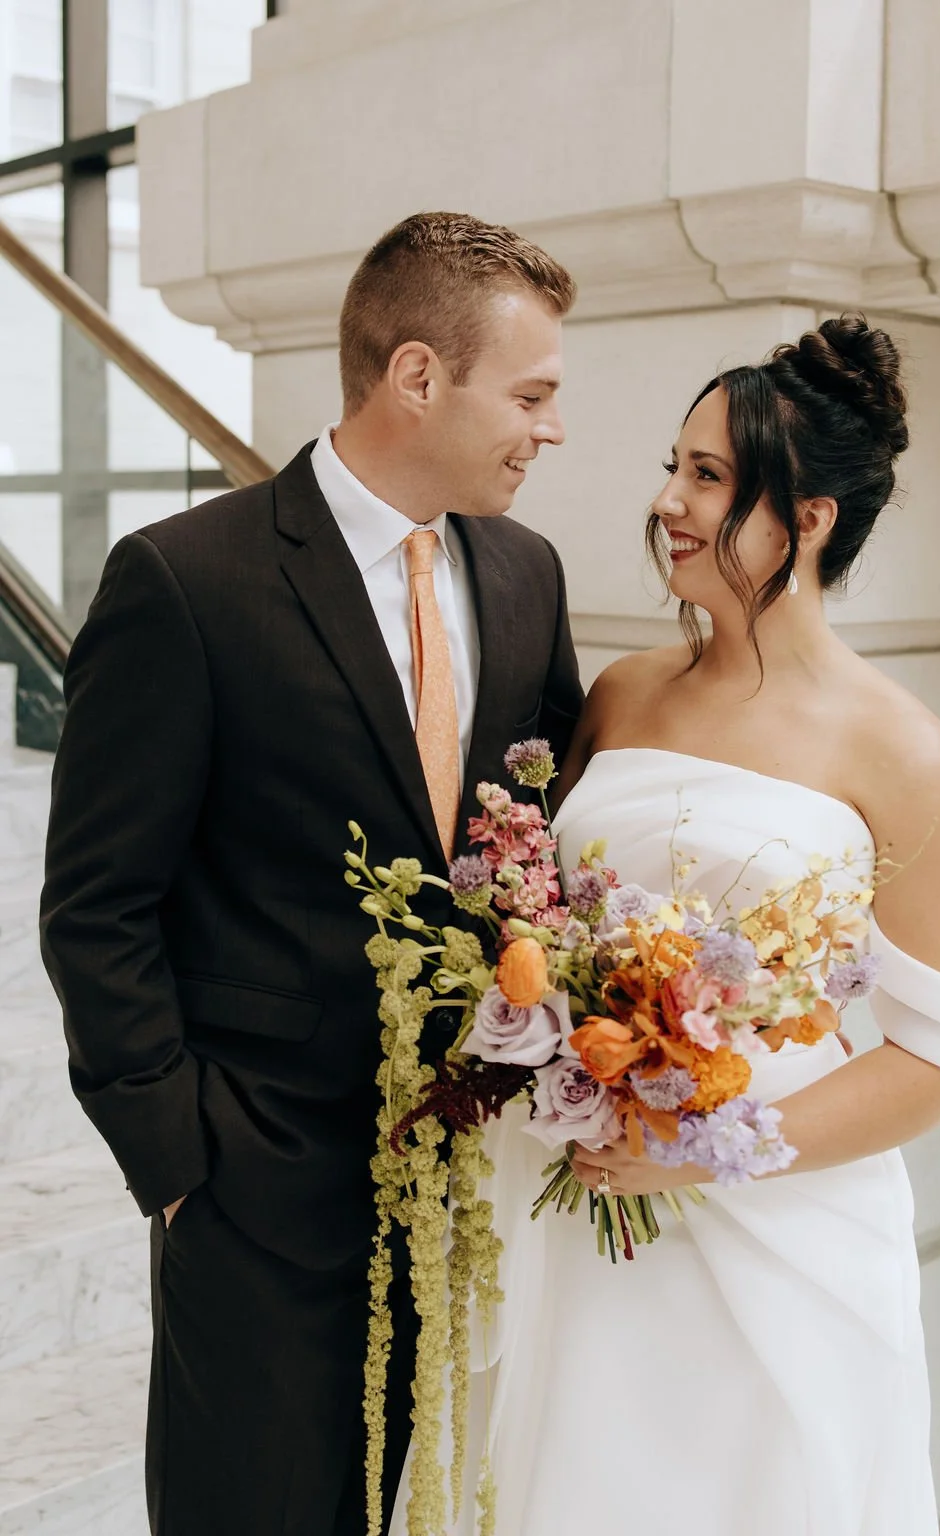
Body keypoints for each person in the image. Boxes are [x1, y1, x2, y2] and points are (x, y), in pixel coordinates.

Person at [417, 315, 940, 1535]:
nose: (667, 502)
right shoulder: (625, 693)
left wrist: (698, 1147)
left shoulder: (905, 752)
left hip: (776, 1224)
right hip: (579, 1196)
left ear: (807, 520)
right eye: (674, 467)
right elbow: (531, 908)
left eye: (708, 478)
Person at [38, 210, 584, 1536]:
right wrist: (178, 1163)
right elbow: (97, 906)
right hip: (257, 1195)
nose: (548, 429)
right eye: (529, 394)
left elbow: (539, 844)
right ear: (415, 377)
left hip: (471, 1188)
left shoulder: (524, 574)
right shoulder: (186, 580)